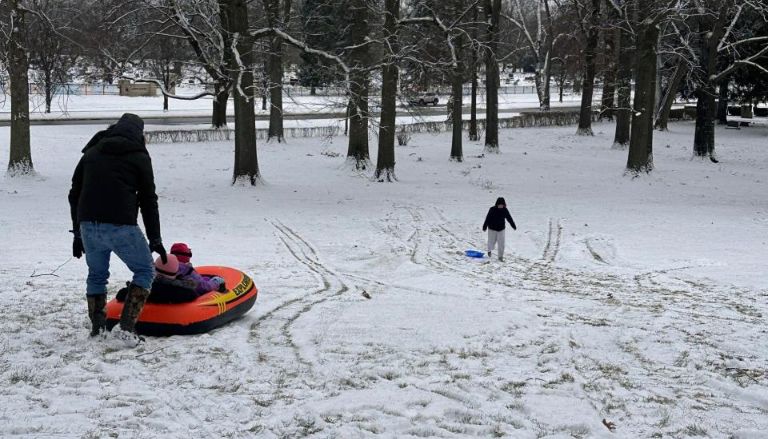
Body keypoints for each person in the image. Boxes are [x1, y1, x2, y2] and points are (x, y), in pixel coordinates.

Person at [68, 113, 167, 341]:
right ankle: (126, 327)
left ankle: (98, 329)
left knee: (96, 275)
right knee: (144, 271)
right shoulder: (139, 156)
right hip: (121, 226)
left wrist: (77, 233)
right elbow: (148, 200)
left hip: (89, 225)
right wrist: (156, 239)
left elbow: (74, 193)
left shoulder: (91, 152)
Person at [482, 197, 517, 262]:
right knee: (491, 242)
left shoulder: (505, 210)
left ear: (504, 205)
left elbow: (509, 218)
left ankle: (500, 256)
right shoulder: (492, 209)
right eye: (499, 205)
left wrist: (513, 225)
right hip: (492, 229)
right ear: (497, 204)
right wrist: (485, 226)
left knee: (501, 243)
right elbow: (488, 218)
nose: (500, 206)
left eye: (502, 205)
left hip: (501, 229)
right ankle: (489, 250)